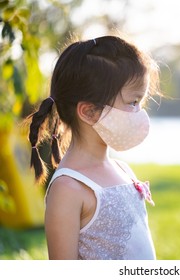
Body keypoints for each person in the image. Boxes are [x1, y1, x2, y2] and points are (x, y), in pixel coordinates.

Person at [27, 35, 160, 260]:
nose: (140, 113)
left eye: (141, 102)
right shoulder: (68, 188)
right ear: (89, 112)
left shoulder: (123, 169)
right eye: (132, 102)